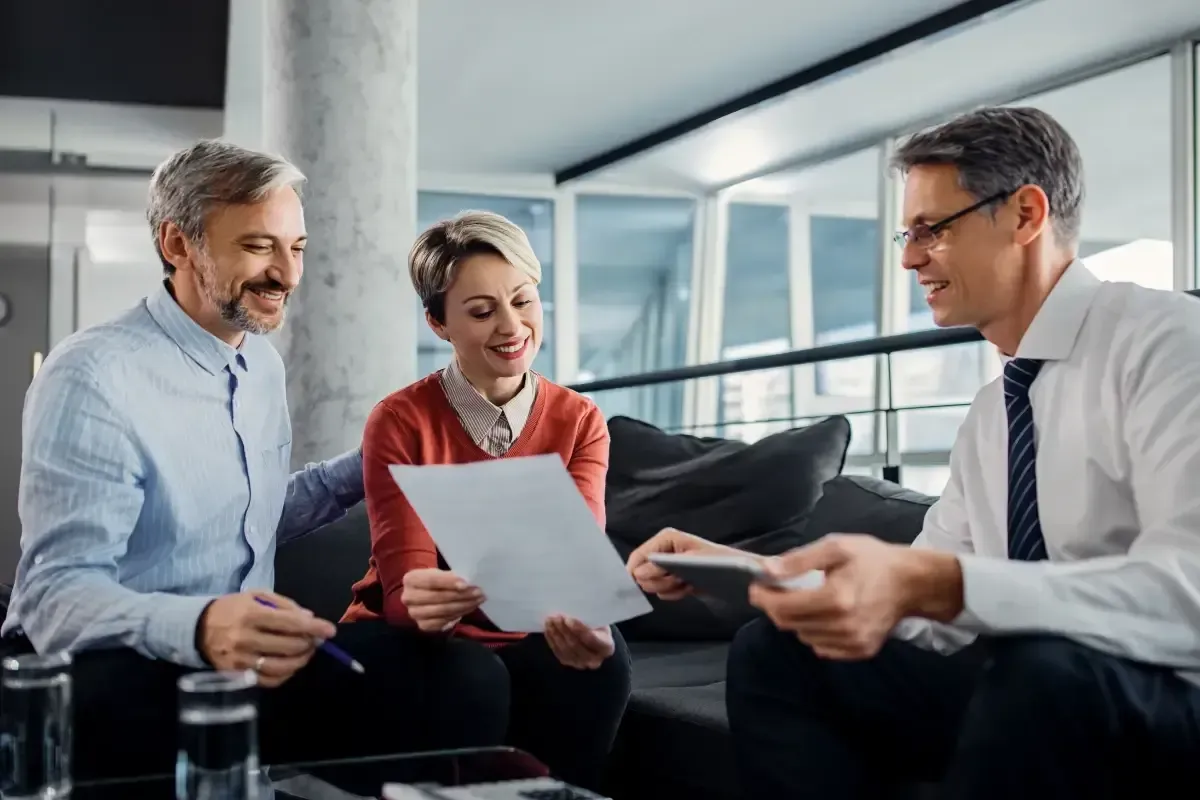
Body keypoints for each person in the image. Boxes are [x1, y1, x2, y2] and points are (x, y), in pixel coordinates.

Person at [627, 106, 1200, 798]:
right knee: (777, 652)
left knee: (1046, 672)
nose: (908, 257)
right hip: (1035, 682)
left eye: (933, 230)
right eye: (908, 232)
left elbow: (1187, 593)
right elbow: (929, 608)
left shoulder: (1169, 344)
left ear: (1024, 214)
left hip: (1167, 690)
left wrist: (942, 585)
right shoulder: (994, 413)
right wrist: (758, 572)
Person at [1, 140, 462, 779]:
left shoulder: (259, 364)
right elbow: (55, 599)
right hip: (114, 665)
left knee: (462, 680)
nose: (288, 274)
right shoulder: (92, 375)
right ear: (177, 244)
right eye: (257, 246)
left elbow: (248, 513)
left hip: (239, 662)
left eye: (295, 248)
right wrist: (201, 625)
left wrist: (375, 462)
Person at [341, 210, 631, 790]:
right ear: (438, 323)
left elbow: (573, 560)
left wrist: (588, 611)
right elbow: (404, 590)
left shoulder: (579, 420)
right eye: (481, 311)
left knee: (603, 663)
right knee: (469, 678)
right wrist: (431, 605)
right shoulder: (399, 420)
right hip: (408, 630)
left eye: (523, 301)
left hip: (526, 622)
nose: (511, 326)